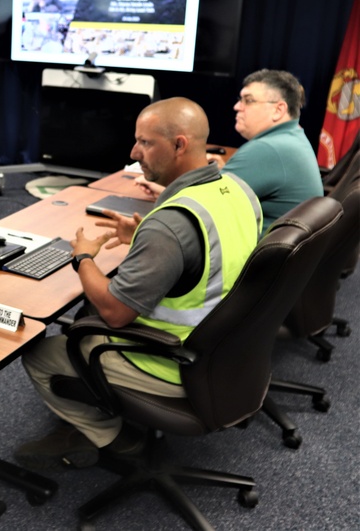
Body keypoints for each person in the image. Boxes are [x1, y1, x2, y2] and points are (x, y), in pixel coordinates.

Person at [16, 98, 261, 471]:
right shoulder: (238, 188)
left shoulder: (171, 226)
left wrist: (82, 257)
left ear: (180, 145)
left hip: (175, 362)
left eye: (145, 143)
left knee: (38, 353)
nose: (133, 154)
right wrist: (147, 238)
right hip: (231, 351)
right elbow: (215, 255)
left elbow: (115, 314)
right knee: (85, 314)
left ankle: (117, 439)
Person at [136, 69, 323, 232]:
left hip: (255, 265)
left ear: (278, 110)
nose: (237, 107)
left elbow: (202, 206)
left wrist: (166, 189)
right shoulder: (292, 138)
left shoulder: (268, 149)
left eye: (248, 101)